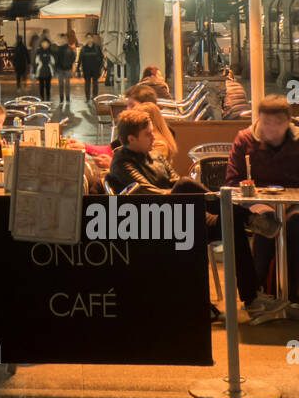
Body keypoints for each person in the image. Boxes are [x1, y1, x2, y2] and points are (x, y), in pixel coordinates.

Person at [109, 108, 278, 321]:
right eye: (148, 134)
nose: (154, 137)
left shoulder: (155, 156)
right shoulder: (122, 161)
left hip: (183, 216)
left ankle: (252, 299)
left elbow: (174, 179)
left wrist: (191, 200)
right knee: (187, 184)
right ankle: (248, 217)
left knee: (231, 223)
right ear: (131, 139)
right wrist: (188, 197)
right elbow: (145, 191)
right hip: (156, 223)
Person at [223, 94, 299, 306]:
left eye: (277, 123)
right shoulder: (244, 140)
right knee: (266, 222)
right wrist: (258, 196)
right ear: (258, 120)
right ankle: (260, 288)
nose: (271, 128)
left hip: (297, 201)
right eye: (266, 122)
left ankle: (294, 287)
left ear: (288, 123)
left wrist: (290, 198)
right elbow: (233, 181)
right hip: (256, 201)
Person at [78, 34, 105, 103]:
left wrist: (101, 66)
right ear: (86, 39)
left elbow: (101, 57)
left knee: (95, 83)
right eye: (88, 38)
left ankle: (95, 97)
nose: (89, 39)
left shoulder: (97, 47)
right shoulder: (83, 49)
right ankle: (87, 97)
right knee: (87, 83)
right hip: (86, 69)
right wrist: (78, 68)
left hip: (95, 69)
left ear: (92, 39)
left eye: (90, 38)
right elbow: (80, 59)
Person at [55, 37, 77, 108]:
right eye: (61, 40)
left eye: (63, 40)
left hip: (65, 69)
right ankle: (63, 99)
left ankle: (65, 99)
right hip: (63, 69)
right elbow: (73, 58)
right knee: (63, 85)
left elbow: (73, 58)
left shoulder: (64, 49)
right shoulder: (61, 49)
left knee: (65, 85)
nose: (62, 41)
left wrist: (70, 65)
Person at [33, 38, 56, 102]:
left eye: (46, 43)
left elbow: (53, 62)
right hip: (40, 71)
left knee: (48, 85)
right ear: (41, 44)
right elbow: (35, 62)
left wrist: (54, 70)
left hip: (48, 71)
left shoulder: (51, 52)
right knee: (41, 86)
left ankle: (48, 97)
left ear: (48, 44)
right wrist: (34, 72)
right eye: (43, 43)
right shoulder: (38, 52)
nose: (45, 44)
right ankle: (42, 97)